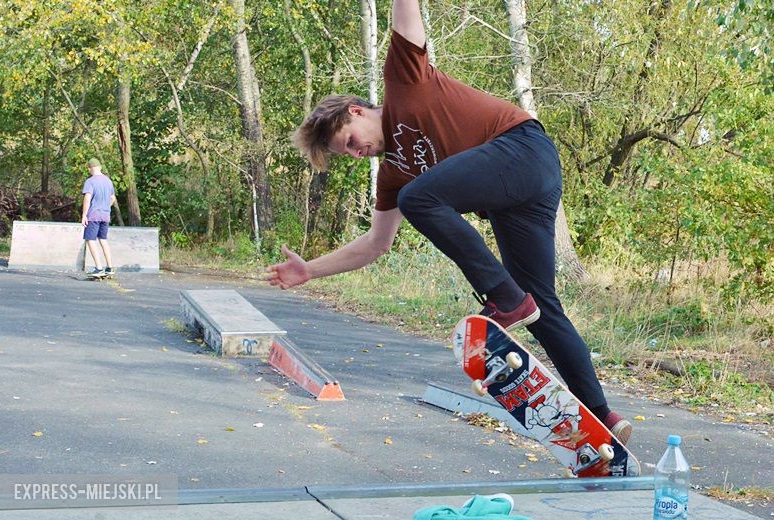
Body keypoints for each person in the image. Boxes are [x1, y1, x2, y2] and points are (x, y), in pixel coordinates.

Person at [266, 0, 632, 443]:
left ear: (355, 111)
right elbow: (375, 244)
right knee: (541, 305)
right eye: (348, 154)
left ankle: (504, 298)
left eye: (349, 141)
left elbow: (406, 11)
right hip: (515, 196)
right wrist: (311, 269)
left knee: (419, 197)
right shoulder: (391, 175)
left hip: (523, 150)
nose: (355, 152)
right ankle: (602, 417)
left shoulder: (403, 79)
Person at [81, 158, 116, 277]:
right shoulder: (108, 181)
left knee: (90, 239)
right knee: (103, 240)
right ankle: (110, 267)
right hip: (105, 215)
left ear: (90, 168)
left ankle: (99, 268)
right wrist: (106, 206)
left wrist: (84, 215)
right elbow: (112, 198)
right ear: (100, 167)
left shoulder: (90, 181)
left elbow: (87, 198)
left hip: (94, 215)